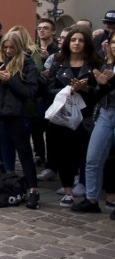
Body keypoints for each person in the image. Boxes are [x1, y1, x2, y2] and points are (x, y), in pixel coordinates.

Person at [0, 30, 41, 208]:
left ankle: (33, 189)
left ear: (19, 47)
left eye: (11, 47)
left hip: (15, 112)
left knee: (23, 150)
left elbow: (30, 92)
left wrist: (11, 79)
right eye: (5, 47)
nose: (7, 51)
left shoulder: (27, 64)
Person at [44, 27, 101, 207]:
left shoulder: (94, 64)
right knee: (63, 153)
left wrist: (84, 89)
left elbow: (101, 92)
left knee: (85, 154)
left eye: (81, 40)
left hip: (85, 116)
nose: (76, 43)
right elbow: (48, 88)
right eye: (73, 39)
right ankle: (68, 190)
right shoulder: (59, 62)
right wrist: (68, 90)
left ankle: (85, 187)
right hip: (62, 115)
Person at [76, 30, 115, 216]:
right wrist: (101, 85)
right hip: (106, 112)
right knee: (93, 158)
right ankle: (91, 199)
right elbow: (98, 95)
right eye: (114, 42)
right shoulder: (106, 64)